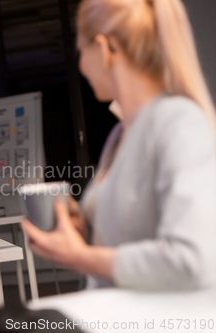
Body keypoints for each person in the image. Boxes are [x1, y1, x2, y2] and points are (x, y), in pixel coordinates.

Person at [22, 0, 216, 291]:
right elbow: (128, 236)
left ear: (103, 48)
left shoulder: (179, 122)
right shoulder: (119, 136)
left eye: (80, 51)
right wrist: (84, 229)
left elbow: (192, 260)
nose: (81, 65)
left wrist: (82, 257)